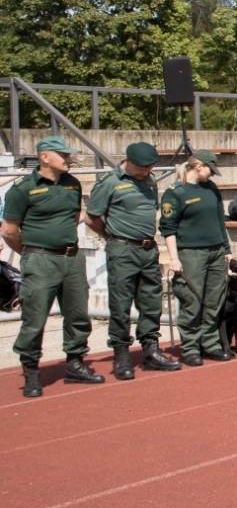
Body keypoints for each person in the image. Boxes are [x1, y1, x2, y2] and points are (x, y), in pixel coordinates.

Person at [3, 136, 102, 396]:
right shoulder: (22, 189)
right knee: (35, 317)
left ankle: (75, 364)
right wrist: (31, 254)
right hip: (40, 259)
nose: (70, 159)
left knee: (78, 314)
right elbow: (10, 231)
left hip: (71, 257)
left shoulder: (72, 184)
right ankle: (31, 371)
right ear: (45, 157)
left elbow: (73, 218)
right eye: (64, 155)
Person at [86, 140, 181, 378]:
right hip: (122, 249)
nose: (145, 173)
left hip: (148, 249)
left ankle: (150, 351)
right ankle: (121, 354)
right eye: (141, 168)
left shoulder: (149, 180)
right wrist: (112, 235)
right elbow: (91, 219)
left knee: (151, 301)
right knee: (120, 304)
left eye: (149, 169)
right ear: (127, 161)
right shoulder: (110, 183)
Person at [160, 150, 232, 366]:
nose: (212, 175)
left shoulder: (211, 188)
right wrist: (174, 258)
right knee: (192, 300)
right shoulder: (175, 192)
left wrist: (226, 249)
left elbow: (219, 221)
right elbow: (168, 229)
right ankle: (190, 346)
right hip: (191, 253)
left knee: (214, 300)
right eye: (210, 169)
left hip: (216, 251)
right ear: (198, 166)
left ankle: (210, 344)